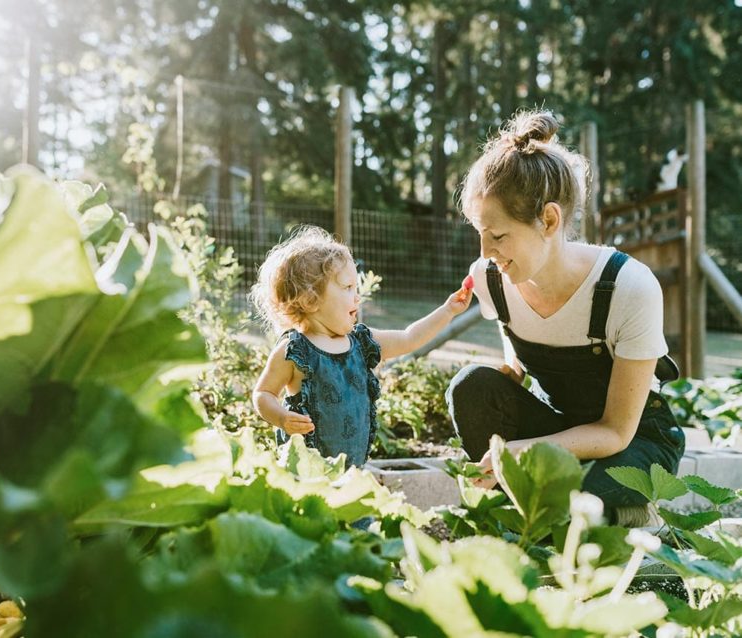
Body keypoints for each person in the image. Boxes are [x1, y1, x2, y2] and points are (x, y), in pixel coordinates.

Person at [446, 109, 685, 526]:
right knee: (471, 386)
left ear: (550, 220)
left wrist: (532, 451)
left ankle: (627, 513)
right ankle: (542, 513)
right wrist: (510, 376)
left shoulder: (628, 286)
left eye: (498, 235)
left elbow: (615, 432)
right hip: (563, 428)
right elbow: (517, 348)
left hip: (633, 445)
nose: (485, 252)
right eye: (480, 233)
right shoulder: (491, 278)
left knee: (566, 482)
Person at [251, 226, 473, 468]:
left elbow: (410, 338)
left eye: (356, 288)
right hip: (306, 470)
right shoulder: (294, 351)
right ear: (310, 299)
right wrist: (281, 418)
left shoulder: (361, 342)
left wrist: (448, 310)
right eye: (348, 288)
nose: (357, 297)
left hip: (353, 469)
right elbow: (263, 394)